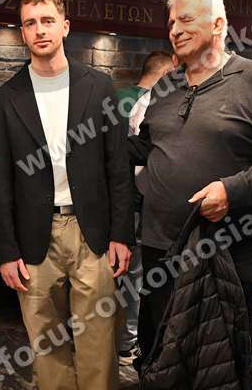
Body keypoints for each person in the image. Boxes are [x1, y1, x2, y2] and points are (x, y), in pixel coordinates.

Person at [128, 0, 252, 363]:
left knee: (218, 360)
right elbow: (148, 147)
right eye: (171, 23)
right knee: (160, 353)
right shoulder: (166, 85)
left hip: (222, 249)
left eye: (186, 19)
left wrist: (232, 190)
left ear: (218, 24)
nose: (175, 30)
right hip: (159, 246)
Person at [0, 0, 133, 390]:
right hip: (34, 237)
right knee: (45, 344)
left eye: (47, 20)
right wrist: (6, 251)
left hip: (93, 233)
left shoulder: (99, 87)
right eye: (30, 23)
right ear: (22, 32)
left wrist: (122, 234)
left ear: (65, 26)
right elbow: (0, 183)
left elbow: (118, 167)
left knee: (98, 341)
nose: (40, 30)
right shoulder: (4, 99)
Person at [116, 50, 173, 366]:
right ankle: (129, 342)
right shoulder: (152, 101)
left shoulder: (115, 97)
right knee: (138, 275)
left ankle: (120, 339)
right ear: (165, 73)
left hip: (113, 203)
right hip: (139, 201)